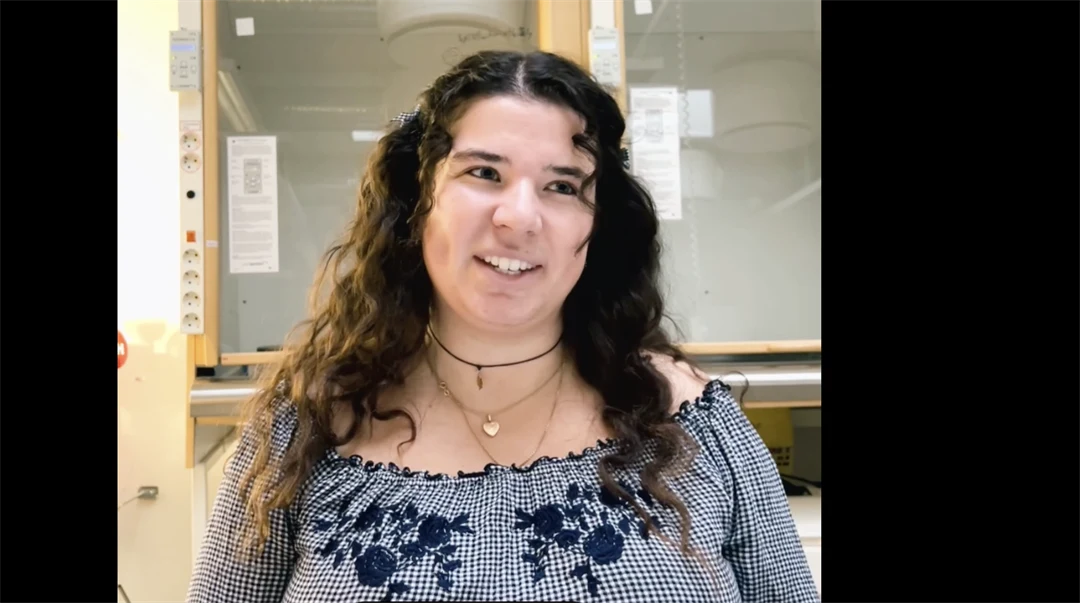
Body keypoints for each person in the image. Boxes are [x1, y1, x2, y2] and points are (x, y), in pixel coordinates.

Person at [187, 50, 819, 603]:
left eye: (563, 186)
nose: (520, 218)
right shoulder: (307, 424)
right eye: (483, 173)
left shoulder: (688, 419)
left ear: (596, 227)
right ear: (419, 201)